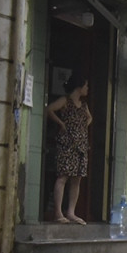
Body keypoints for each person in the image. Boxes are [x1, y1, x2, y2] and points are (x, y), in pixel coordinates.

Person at [45, 72, 92, 224]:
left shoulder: (83, 105)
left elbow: (90, 117)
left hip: (81, 145)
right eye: (85, 85)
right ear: (79, 87)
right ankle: (58, 212)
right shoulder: (65, 101)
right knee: (63, 177)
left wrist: (84, 125)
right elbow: (49, 109)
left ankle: (71, 212)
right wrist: (61, 124)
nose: (87, 88)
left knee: (76, 179)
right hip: (67, 143)